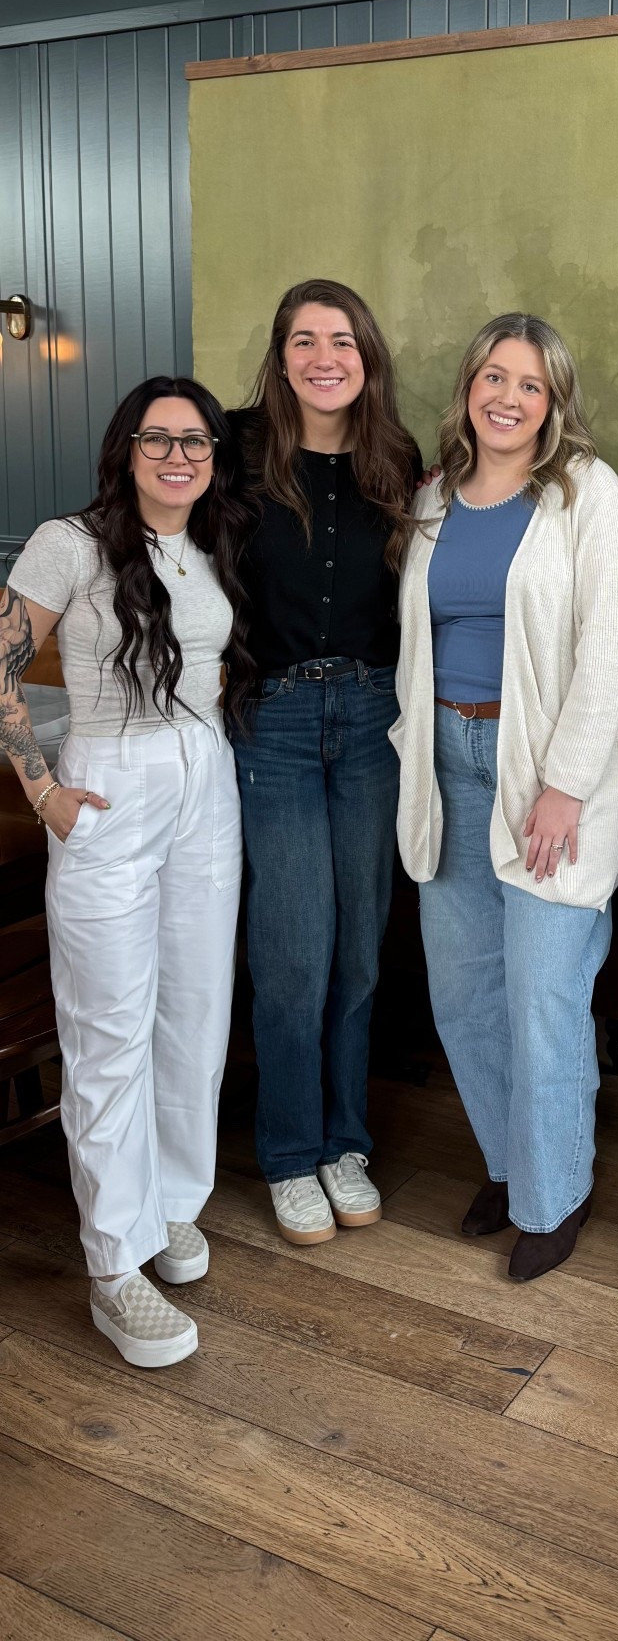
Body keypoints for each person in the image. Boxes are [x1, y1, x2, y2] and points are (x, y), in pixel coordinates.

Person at [392, 313, 618, 1281]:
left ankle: (555, 1194)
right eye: (492, 376)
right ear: (468, 387)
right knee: (463, 991)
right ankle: (512, 1160)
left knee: (543, 992)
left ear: (554, 403)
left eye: (529, 384)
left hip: (540, 769)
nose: (506, 396)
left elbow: (614, 639)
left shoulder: (585, 493)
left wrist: (565, 782)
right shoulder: (432, 497)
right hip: (445, 767)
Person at [0, 378, 250, 1368]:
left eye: (196, 442)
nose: (178, 455)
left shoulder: (211, 542)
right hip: (107, 782)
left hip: (207, 782)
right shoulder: (71, 540)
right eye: (160, 438)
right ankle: (113, 1262)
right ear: (127, 446)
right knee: (108, 1028)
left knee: (193, 1015)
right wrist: (41, 787)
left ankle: (169, 1208)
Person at [231, 279, 420, 1245]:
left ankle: (346, 1143)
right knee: (293, 955)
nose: (323, 358)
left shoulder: (398, 459)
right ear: (281, 355)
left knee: (358, 953)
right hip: (276, 722)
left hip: (373, 715)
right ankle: (290, 1152)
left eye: (340, 340)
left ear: (366, 355)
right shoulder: (234, 449)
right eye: (303, 340)